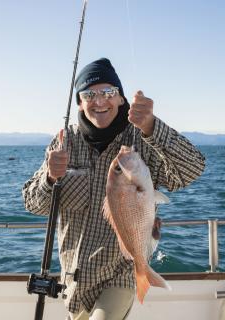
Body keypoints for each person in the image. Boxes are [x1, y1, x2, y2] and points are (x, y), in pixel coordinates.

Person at [22, 58, 206, 320]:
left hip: (121, 271)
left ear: (121, 98)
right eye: (89, 94)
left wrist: (153, 126)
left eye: (108, 92)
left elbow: (192, 170)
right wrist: (50, 178)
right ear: (79, 102)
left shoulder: (143, 136)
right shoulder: (65, 142)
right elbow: (33, 204)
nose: (99, 101)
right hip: (75, 279)